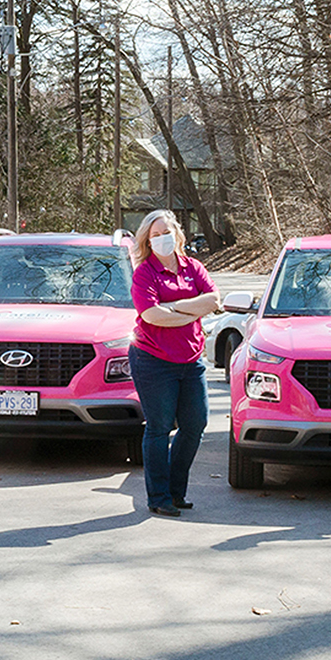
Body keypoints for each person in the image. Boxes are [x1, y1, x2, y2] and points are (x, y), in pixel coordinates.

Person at [127, 210, 219, 517]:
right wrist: (193, 310)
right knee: (159, 428)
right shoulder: (144, 273)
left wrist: (174, 307)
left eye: (166, 232)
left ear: (177, 234)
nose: (162, 239)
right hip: (153, 360)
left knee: (195, 425)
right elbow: (151, 316)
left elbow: (214, 300)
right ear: (147, 241)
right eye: (155, 235)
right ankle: (160, 496)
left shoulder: (193, 267)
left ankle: (177, 492)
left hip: (191, 360)